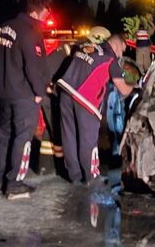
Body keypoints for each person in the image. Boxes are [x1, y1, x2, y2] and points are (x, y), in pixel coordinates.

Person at [0, 0, 49, 199]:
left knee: (5, 136)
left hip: (5, 93)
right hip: (24, 94)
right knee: (23, 137)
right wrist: (40, 92)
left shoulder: (4, 27)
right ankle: (14, 183)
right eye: (45, 16)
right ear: (35, 14)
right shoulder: (29, 31)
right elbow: (33, 66)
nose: (45, 21)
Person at [56, 34, 134, 184]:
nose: (121, 55)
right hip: (86, 100)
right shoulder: (110, 59)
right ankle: (91, 177)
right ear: (116, 46)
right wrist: (135, 88)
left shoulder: (86, 48)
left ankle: (75, 176)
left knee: (69, 137)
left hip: (65, 91)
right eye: (122, 51)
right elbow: (124, 89)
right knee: (88, 141)